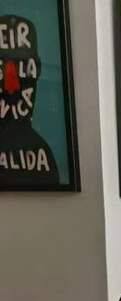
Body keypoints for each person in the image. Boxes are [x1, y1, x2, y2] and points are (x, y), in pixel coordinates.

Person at [0, 16, 60, 186]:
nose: (11, 86)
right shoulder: (40, 151)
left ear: (37, 70)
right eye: (2, 67)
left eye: (23, 68)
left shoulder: (40, 153)